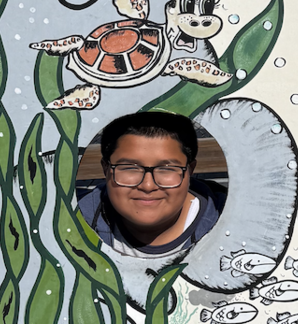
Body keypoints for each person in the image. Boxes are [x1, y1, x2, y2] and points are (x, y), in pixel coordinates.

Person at [78, 111, 225, 258]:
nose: (148, 186)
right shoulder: (72, 217)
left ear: (190, 171)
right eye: (130, 168)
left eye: (167, 169)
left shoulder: (228, 224)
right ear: (106, 169)